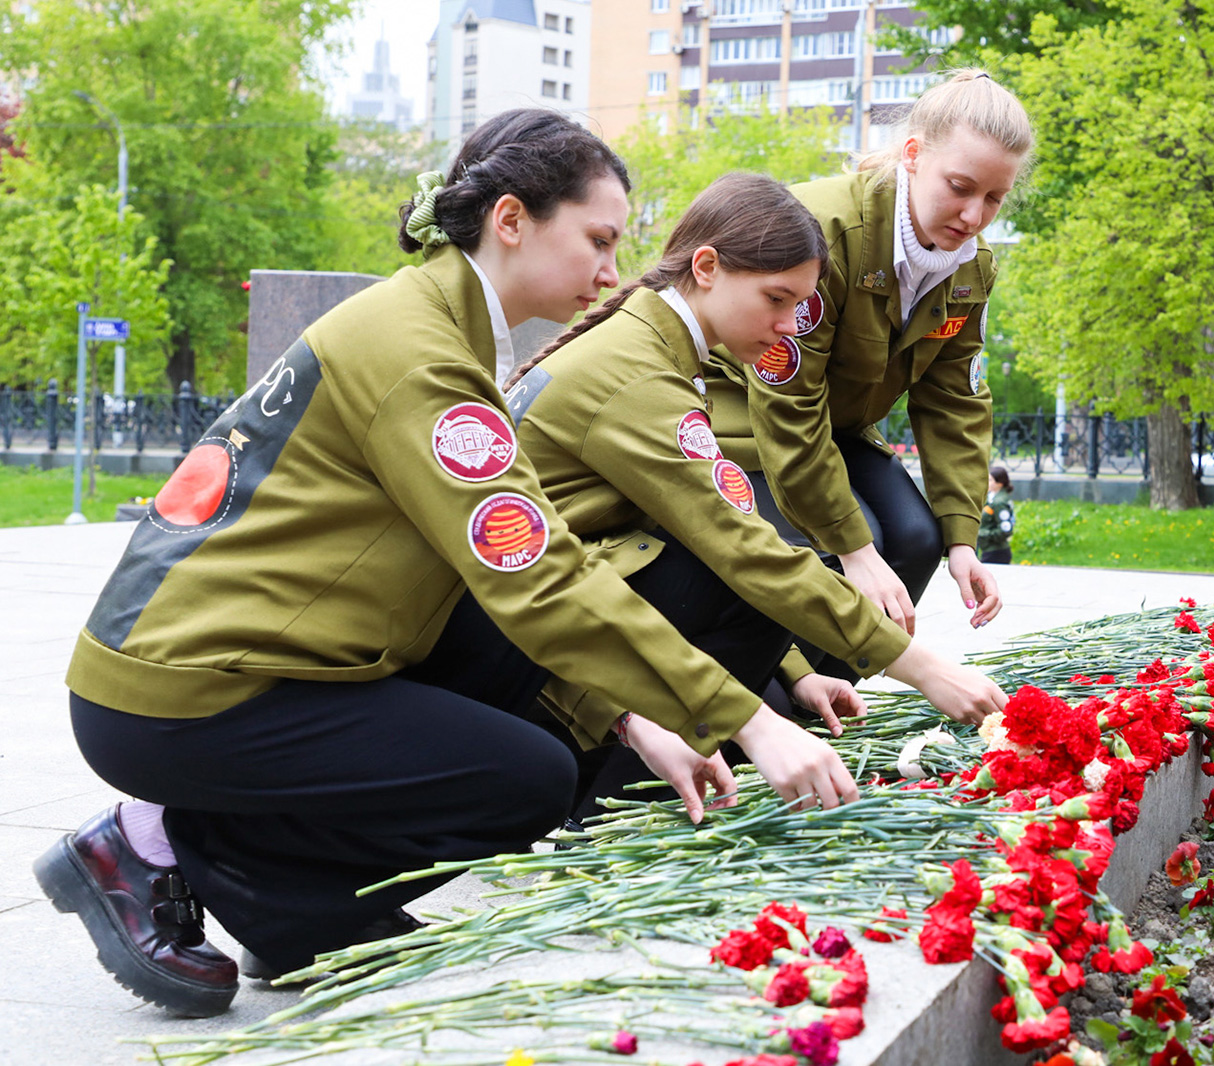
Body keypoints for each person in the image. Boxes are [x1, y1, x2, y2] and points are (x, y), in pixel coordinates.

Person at [33, 110, 855, 1019]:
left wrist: (633, 714)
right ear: (511, 220)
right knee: (524, 777)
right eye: (598, 239)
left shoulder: (439, 323)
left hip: (253, 658)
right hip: (183, 692)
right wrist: (749, 720)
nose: (614, 271)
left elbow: (533, 558)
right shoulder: (422, 351)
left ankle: (284, 910)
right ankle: (163, 849)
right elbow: (537, 579)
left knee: (519, 682)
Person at [501, 173, 1009, 806]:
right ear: (707, 268)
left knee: (766, 658)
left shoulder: (653, 346)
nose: (788, 325)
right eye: (776, 298)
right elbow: (744, 552)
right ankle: (615, 804)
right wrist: (922, 667)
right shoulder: (639, 378)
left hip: (564, 606)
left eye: (799, 304)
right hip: (528, 654)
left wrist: (794, 674)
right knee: (750, 576)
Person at [702, 70, 1033, 670]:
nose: (973, 214)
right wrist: (853, 549)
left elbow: (954, 399)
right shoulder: (824, 233)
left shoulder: (971, 267)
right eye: (959, 187)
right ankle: (768, 703)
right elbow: (785, 404)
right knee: (856, 550)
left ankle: (827, 706)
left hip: (838, 428)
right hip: (739, 413)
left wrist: (963, 537)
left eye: (994, 198)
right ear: (912, 154)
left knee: (917, 539)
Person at [978, 464, 1016, 565]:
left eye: (990, 480)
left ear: (1000, 483)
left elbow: (1005, 530)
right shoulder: (992, 497)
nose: (987, 483)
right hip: (989, 550)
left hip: (996, 552)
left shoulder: (999, 502)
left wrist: (983, 534)